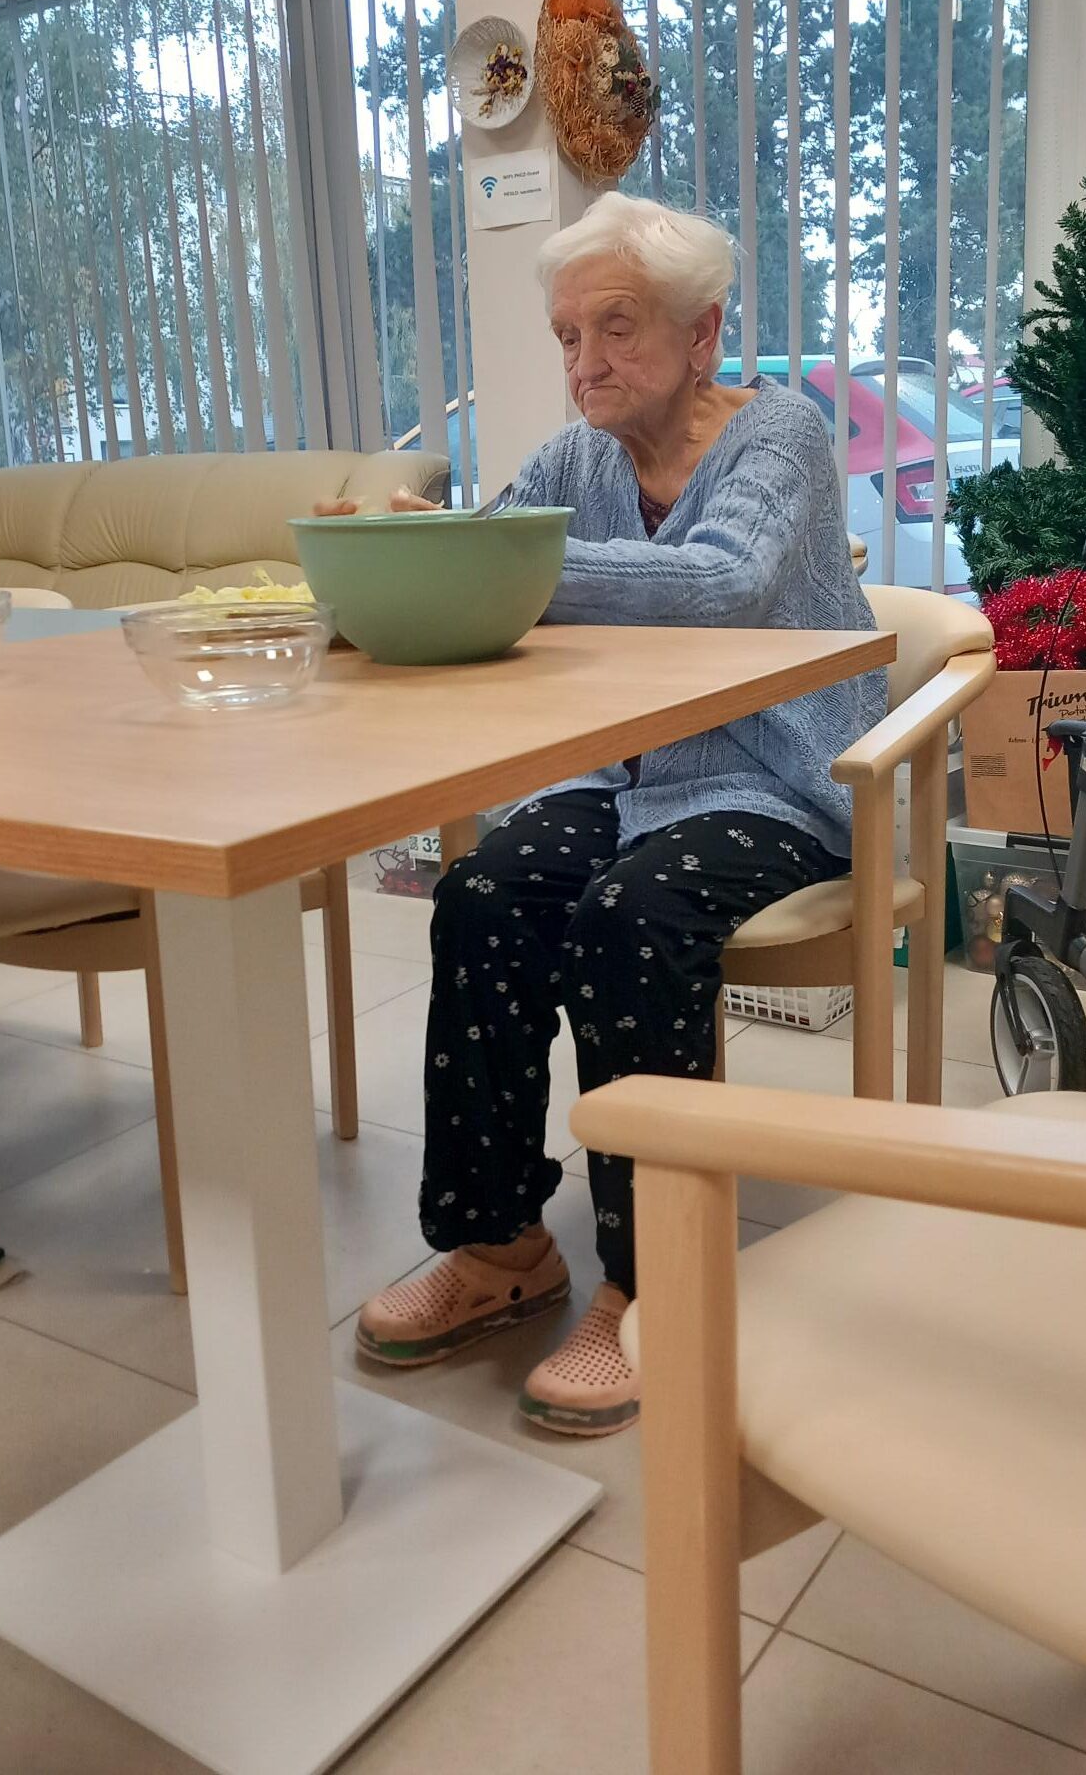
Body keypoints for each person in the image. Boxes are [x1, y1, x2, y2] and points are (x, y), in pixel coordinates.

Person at [334, 193, 885, 1438]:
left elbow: (722, 583)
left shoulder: (779, 434)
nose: (583, 363)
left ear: (702, 334)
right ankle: (499, 1246)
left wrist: (493, 562)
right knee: (483, 897)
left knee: (629, 918)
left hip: (770, 777)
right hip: (619, 775)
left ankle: (651, 1280)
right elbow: (477, 561)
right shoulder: (572, 462)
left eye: (616, 328)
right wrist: (391, 566)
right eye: (566, 336)